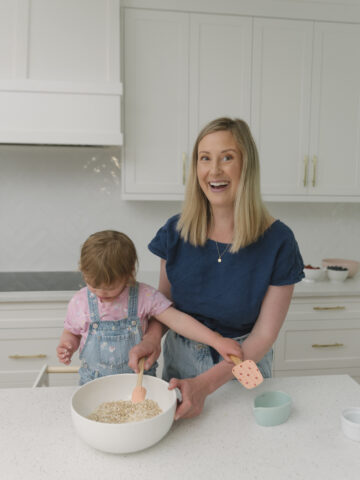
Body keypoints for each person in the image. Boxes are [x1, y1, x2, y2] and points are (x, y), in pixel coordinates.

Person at [128, 117, 304, 420]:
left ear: (246, 166)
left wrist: (205, 385)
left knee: (247, 443)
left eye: (227, 158)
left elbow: (262, 336)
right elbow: (163, 307)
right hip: (180, 362)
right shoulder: (175, 231)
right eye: (205, 158)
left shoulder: (279, 242)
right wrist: (151, 338)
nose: (215, 170)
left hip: (243, 365)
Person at [56, 230, 242, 385]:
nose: (101, 293)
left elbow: (177, 319)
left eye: (110, 287)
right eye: (93, 285)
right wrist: (68, 345)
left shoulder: (144, 296)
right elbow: (71, 332)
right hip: (93, 384)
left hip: (139, 382)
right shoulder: (79, 302)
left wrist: (217, 341)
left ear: (128, 274)